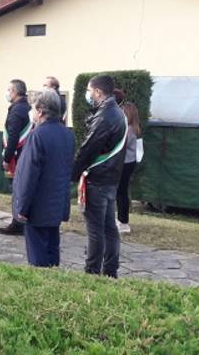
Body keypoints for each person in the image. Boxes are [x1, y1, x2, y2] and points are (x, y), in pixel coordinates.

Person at [72, 75, 127, 278]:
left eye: (89, 90)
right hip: (111, 179)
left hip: (98, 180)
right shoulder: (117, 111)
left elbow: (88, 148)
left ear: (97, 91)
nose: (88, 94)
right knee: (109, 228)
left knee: (96, 230)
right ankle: (110, 270)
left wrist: (73, 173)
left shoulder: (105, 115)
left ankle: (92, 271)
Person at [13, 88, 75, 267]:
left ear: (40, 111)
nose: (31, 112)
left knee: (38, 255)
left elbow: (28, 175)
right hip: (57, 203)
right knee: (52, 248)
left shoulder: (37, 135)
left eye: (32, 108)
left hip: (38, 206)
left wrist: (22, 208)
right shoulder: (67, 134)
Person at [0, 79, 31, 236]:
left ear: (16, 92)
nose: (7, 93)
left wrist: (6, 158)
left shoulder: (17, 110)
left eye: (9, 89)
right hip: (25, 154)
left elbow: (13, 137)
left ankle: (18, 223)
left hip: (17, 157)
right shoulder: (27, 107)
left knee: (18, 190)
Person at [116, 102, 141, 234]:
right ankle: (121, 219)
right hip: (128, 162)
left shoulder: (129, 130)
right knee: (121, 192)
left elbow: (120, 148)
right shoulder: (133, 129)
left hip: (125, 163)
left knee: (121, 193)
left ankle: (123, 221)